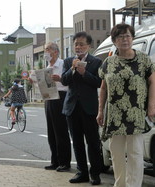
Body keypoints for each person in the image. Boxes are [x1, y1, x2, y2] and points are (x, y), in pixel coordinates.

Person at [96, 23, 155, 187]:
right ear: (114, 41)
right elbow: (103, 88)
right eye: (120, 37)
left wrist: (152, 105)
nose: (125, 40)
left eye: (128, 36)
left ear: (133, 38)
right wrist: (100, 111)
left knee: (136, 153)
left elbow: (152, 81)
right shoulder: (109, 62)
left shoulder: (143, 59)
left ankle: (134, 184)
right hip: (115, 114)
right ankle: (120, 184)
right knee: (116, 153)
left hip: (135, 113)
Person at [61, 32, 102, 185]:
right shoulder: (68, 61)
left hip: (90, 108)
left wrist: (84, 73)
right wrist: (72, 69)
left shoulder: (96, 62)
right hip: (72, 108)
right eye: (76, 44)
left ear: (89, 46)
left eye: (81, 44)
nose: (78, 47)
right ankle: (82, 172)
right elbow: (64, 81)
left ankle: (95, 174)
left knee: (93, 142)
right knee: (77, 142)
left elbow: (99, 83)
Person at [41, 42, 71, 172]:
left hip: (61, 97)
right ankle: (55, 161)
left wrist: (60, 79)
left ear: (56, 51)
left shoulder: (63, 64)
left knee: (61, 131)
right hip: (49, 97)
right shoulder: (47, 67)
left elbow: (67, 81)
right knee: (51, 131)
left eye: (48, 49)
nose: (46, 52)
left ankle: (64, 162)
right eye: (45, 50)